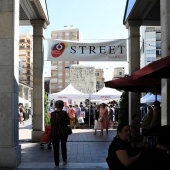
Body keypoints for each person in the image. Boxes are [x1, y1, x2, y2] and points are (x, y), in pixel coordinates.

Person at [50, 100, 70, 170]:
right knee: (63, 146)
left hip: (54, 133)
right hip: (63, 132)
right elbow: (68, 122)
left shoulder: (52, 114)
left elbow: (51, 123)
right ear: (62, 106)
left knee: (56, 149)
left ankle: (56, 165)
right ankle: (64, 160)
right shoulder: (64, 113)